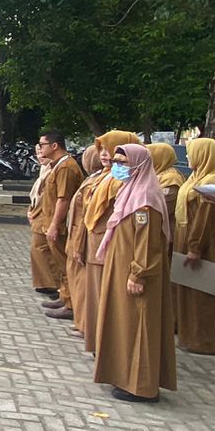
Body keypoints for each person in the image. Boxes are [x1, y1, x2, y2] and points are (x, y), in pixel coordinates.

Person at [90, 143, 176, 403]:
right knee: (124, 324)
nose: (117, 166)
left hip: (137, 274)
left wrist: (138, 274)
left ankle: (142, 386)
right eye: (116, 161)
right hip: (121, 269)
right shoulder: (131, 193)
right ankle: (125, 376)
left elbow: (148, 244)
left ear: (139, 165)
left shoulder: (146, 201)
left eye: (123, 163)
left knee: (140, 326)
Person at [79, 130, 142, 353]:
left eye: (111, 151)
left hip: (113, 249)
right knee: (97, 296)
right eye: (102, 151)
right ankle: (98, 340)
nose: (105, 156)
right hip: (98, 242)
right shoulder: (105, 176)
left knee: (108, 300)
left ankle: (105, 345)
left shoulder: (132, 186)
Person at [176, 136, 215, 355]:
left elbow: (205, 218)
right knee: (191, 291)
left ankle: (211, 340)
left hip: (205, 243)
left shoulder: (214, 181)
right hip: (188, 236)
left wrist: (195, 247)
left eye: (192, 152)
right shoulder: (197, 176)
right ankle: (193, 337)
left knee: (206, 292)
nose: (189, 156)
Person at [30, 131, 81, 318]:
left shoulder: (66, 167)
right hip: (50, 221)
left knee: (66, 264)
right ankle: (65, 296)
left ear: (54, 146)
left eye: (42, 144)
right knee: (61, 265)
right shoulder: (57, 166)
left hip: (59, 225)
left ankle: (71, 304)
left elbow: (63, 199)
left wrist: (54, 225)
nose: (40, 149)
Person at [62, 146, 105, 340]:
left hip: (90, 240)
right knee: (77, 279)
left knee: (86, 285)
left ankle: (86, 323)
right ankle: (81, 320)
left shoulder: (109, 181)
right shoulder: (95, 178)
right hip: (79, 235)